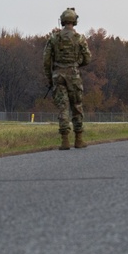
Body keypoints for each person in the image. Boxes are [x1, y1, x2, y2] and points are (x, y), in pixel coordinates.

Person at [43, 8, 91, 150]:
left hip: (58, 75)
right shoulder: (79, 38)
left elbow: (46, 60)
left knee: (63, 108)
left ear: (63, 21)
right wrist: (77, 63)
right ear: (74, 21)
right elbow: (88, 58)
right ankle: (79, 139)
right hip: (73, 75)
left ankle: (64, 140)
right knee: (77, 106)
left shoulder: (54, 38)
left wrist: (49, 77)